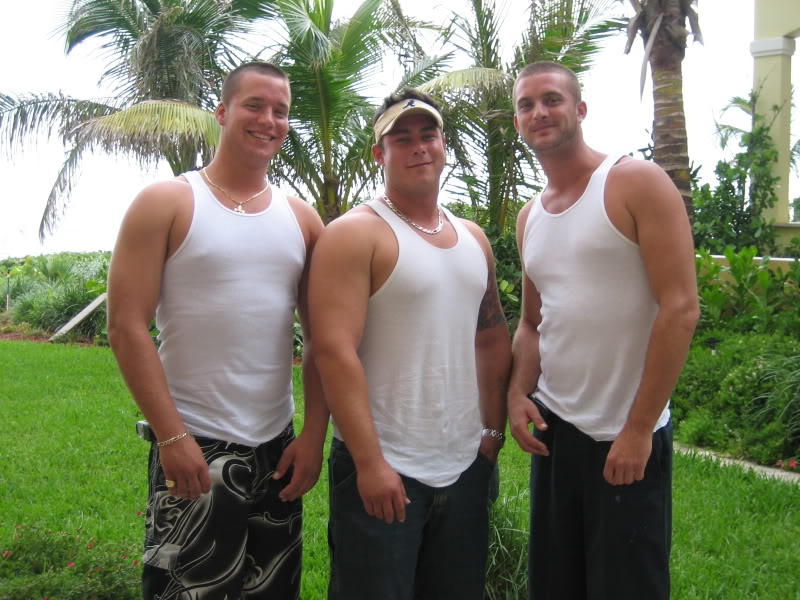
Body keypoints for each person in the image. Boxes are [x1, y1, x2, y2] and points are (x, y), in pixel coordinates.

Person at [107, 61, 327, 599]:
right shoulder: (168, 202)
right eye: (255, 105)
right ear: (223, 112)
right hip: (193, 440)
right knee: (187, 588)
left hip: (277, 446)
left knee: (272, 589)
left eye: (281, 111)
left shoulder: (302, 219)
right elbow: (126, 325)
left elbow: (325, 340)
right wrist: (171, 437)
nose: (268, 120)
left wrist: (313, 435)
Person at [507, 61, 700, 600]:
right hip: (556, 434)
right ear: (517, 122)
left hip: (627, 434)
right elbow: (532, 323)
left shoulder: (634, 181)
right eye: (526, 105)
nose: (539, 112)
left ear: (580, 109)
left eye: (552, 99)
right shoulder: (530, 217)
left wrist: (637, 430)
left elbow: (681, 308)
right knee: (555, 585)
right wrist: (517, 393)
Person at [309, 89, 511, 600]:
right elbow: (333, 352)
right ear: (379, 153)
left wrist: (491, 433)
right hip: (384, 468)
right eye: (402, 138)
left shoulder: (473, 239)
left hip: (464, 465)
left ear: (444, 145)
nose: (419, 146)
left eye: (428, 134)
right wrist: (370, 463)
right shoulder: (355, 234)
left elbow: (491, 337)